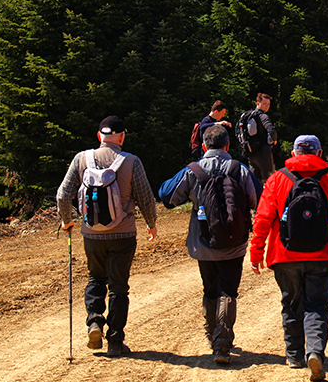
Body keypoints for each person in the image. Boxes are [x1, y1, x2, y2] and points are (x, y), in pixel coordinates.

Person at [249, 135, 328, 382]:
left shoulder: (277, 178)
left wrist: (256, 252)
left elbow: (262, 218)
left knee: (291, 303)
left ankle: (294, 355)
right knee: (316, 304)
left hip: (284, 254)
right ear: (319, 153)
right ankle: (315, 352)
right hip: (323, 254)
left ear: (294, 154)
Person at [158, 125, 261, 364]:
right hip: (234, 243)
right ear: (227, 145)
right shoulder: (239, 169)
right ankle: (222, 345)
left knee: (210, 289)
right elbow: (259, 199)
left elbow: (167, 197)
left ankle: (211, 335)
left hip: (203, 242)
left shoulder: (193, 170)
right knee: (229, 291)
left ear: (204, 146)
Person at [56, 116, 158, 358]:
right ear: (122, 137)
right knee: (118, 287)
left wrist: (66, 220)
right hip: (123, 234)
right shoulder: (131, 161)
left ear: (99, 136)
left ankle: (94, 321)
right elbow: (145, 198)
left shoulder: (81, 158)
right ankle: (115, 341)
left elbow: (62, 195)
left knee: (95, 277)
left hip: (92, 235)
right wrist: (151, 224)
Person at [240, 93, 279, 180]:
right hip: (263, 153)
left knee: (255, 181)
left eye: (268, 104)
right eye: (265, 104)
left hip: (251, 152)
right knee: (269, 179)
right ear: (258, 103)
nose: (267, 106)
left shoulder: (248, 116)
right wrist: (274, 140)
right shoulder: (263, 116)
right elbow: (271, 130)